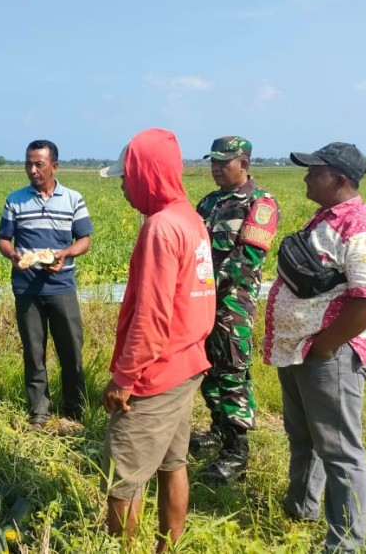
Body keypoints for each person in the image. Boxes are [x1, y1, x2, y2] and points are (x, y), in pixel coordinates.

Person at [265, 142, 366, 553]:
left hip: (330, 355)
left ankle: (344, 544)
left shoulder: (365, 229)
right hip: (301, 351)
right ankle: (302, 506)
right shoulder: (327, 219)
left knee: (340, 452)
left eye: (314, 170)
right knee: (303, 435)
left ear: (339, 179)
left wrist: (324, 347)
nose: (306, 176)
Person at [99, 129, 215, 552]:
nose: (125, 188)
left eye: (127, 178)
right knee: (172, 463)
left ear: (146, 175)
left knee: (123, 482)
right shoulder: (190, 217)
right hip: (187, 364)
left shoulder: (161, 228)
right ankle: (170, 547)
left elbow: (151, 316)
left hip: (156, 374)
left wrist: (124, 378)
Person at [190, 136, 279, 483]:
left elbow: (247, 259)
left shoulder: (261, 203)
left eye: (222, 163)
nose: (215, 168)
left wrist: (204, 288)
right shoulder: (209, 202)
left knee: (231, 371)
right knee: (207, 370)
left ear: (243, 163)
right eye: (212, 162)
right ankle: (218, 430)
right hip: (201, 301)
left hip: (232, 304)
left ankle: (236, 451)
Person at [0, 139, 93, 434]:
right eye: (28, 163)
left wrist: (65, 254)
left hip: (61, 286)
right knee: (33, 351)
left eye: (39, 164)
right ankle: (39, 411)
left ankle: (74, 410)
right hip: (27, 288)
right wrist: (14, 256)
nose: (32, 169)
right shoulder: (15, 200)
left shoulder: (73, 199)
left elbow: (84, 240)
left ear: (54, 166)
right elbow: (4, 239)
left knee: (70, 350)